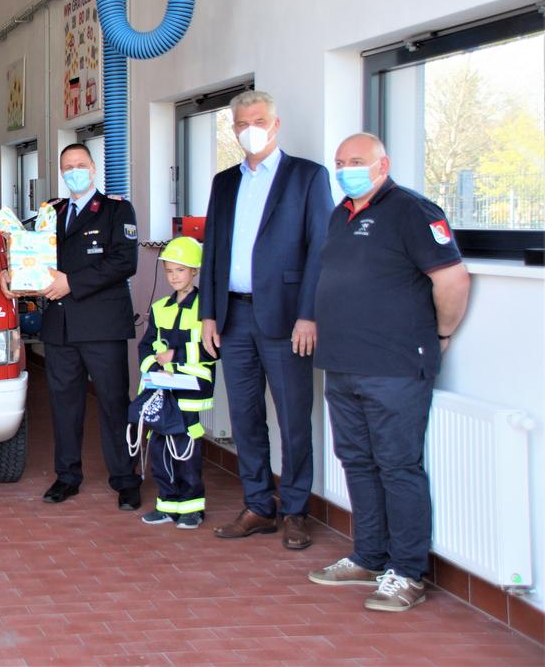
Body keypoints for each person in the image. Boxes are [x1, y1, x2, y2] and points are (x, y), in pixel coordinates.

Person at [308, 133, 469, 612]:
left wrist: (441, 334)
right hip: (343, 364)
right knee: (357, 461)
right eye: (339, 162)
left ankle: (407, 571)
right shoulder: (342, 214)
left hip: (396, 366)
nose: (345, 169)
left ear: (383, 164)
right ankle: (369, 556)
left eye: (356, 161)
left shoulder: (413, 211)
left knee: (398, 466)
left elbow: (452, 278)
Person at [199, 90, 332, 549]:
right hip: (233, 315)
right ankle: (258, 504)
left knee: (295, 418)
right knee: (244, 416)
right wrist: (209, 314)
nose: (248, 129)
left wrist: (309, 315)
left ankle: (295, 510)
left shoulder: (307, 177)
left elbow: (320, 250)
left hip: (286, 317)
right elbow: (212, 251)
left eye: (256, 120)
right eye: (239, 123)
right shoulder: (224, 182)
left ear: (275, 125)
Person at [1, 143, 142, 509]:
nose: (74, 171)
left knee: (113, 403)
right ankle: (67, 476)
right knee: (65, 405)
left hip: (102, 325)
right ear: (62, 172)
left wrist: (72, 283)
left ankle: (126, 478)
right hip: (60, 326)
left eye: (81, 165)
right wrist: (10, 272)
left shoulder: (116, 209)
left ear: (93, 169)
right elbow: (28, 249)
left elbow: (124, 262)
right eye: (68, 166)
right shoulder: (53, 211)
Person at [133, 236, 215, 529]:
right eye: (169, 271)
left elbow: (212, 348)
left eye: (180, 270)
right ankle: (167, 503)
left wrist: (175, 357)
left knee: (184, 446)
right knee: (159, 445)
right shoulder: (159, 307)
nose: (174, 277)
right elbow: (145, 347)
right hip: (161, 389)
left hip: (191, 389)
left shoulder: (206, 308)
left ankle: (192, 507)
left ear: (194, 271)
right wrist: (154, 366)